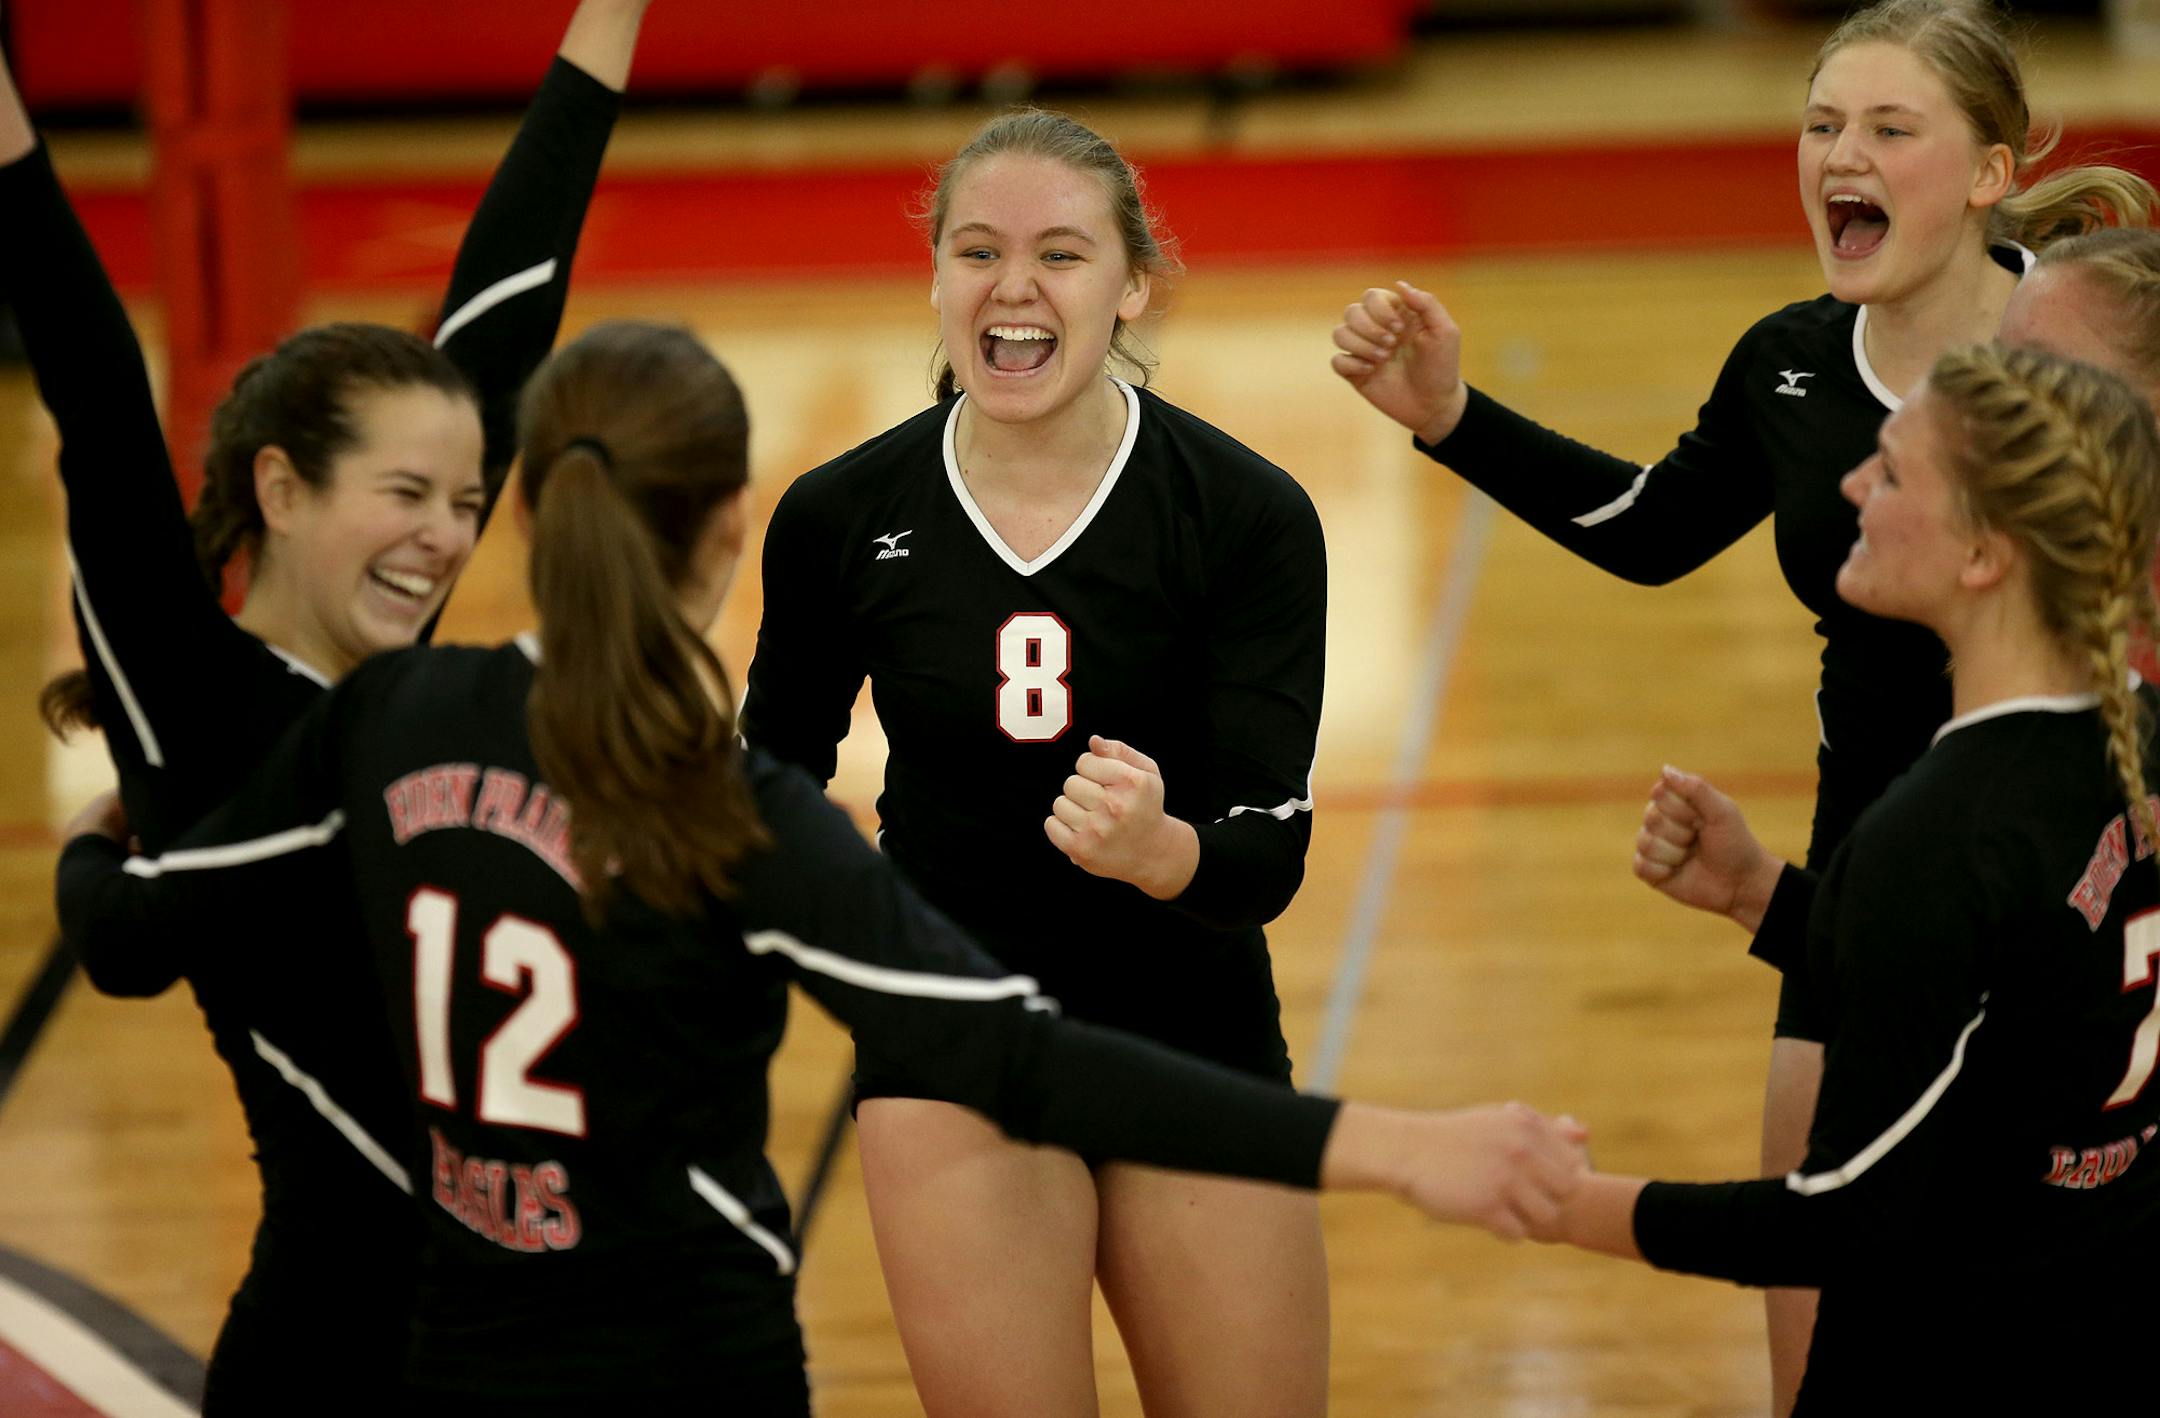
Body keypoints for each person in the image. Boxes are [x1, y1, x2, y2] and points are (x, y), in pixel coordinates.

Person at [56, 320, 1591, 1415]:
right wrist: (1387, 1143)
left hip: (454, 1358)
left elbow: (130, 932)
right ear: (731, 527)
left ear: (520, 509)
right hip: (687, 1359)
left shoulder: (393, 719)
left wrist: (88, 839)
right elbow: (1014, 1052)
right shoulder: (730, 813)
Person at [1325, 2, 2156, 1404]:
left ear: (1993, 171)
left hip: (2062, 871)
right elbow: (1654, 527)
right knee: (1834, 1330)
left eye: (1892, 128)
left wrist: (1551, 1197)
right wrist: (1453, 415)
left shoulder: (2089, 347)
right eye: (1822, 124)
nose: (1843, 153)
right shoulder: (1790, 360)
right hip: (1860, 895)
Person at [4, 1, 649, 1404]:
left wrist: (616, 12)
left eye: (468, 503)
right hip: (334, 1340)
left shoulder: (407, 691)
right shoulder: (187, 692)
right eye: (405, 496)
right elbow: (95, 382)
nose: (442, 537)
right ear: (286, 492)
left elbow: (506, 301)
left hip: (525, 1325)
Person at [740, 107, 1331, 1415]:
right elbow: (762, 794)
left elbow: (1267, 850)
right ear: (938, 276)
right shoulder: (843, 514)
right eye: (977, 251)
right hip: (956, 1046)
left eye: (1061, 254)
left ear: (1132, 285)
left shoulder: (1245, 514)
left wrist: (1164, 849)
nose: (1013, 287)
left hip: (1189, 1025)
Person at [1534, 344, 2160, 1411]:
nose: (1852, 487)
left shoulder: (1935, 827)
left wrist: (1558, 1201)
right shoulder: (2130, 739)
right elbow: (2015, 992)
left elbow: (1841, 1217)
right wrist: (1761, 895)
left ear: (1983, 556)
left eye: (1893, 471)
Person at [1636, 227, 2160, 966]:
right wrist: (1755, 889)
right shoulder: (2056, 704)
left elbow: (1946, 1002)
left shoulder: (1979, 790)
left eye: (2039, 379)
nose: (1997, 405)